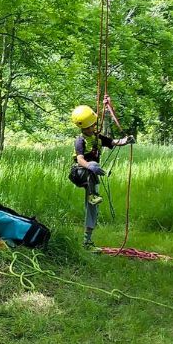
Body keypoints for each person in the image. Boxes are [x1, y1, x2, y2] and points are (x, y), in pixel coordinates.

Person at [69, 104, 134, 248]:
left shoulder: (97, 137)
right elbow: (80, 159)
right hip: (80, 173)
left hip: (91, 175)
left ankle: (87, 239)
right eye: (90, 127)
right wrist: (89, 165)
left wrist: (126, 141)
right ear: (84, 127)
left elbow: (113, 142)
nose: (92, 128)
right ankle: (92, 195)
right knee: (93, 168)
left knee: (93, 208)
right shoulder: (80, 140)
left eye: (92, 125)